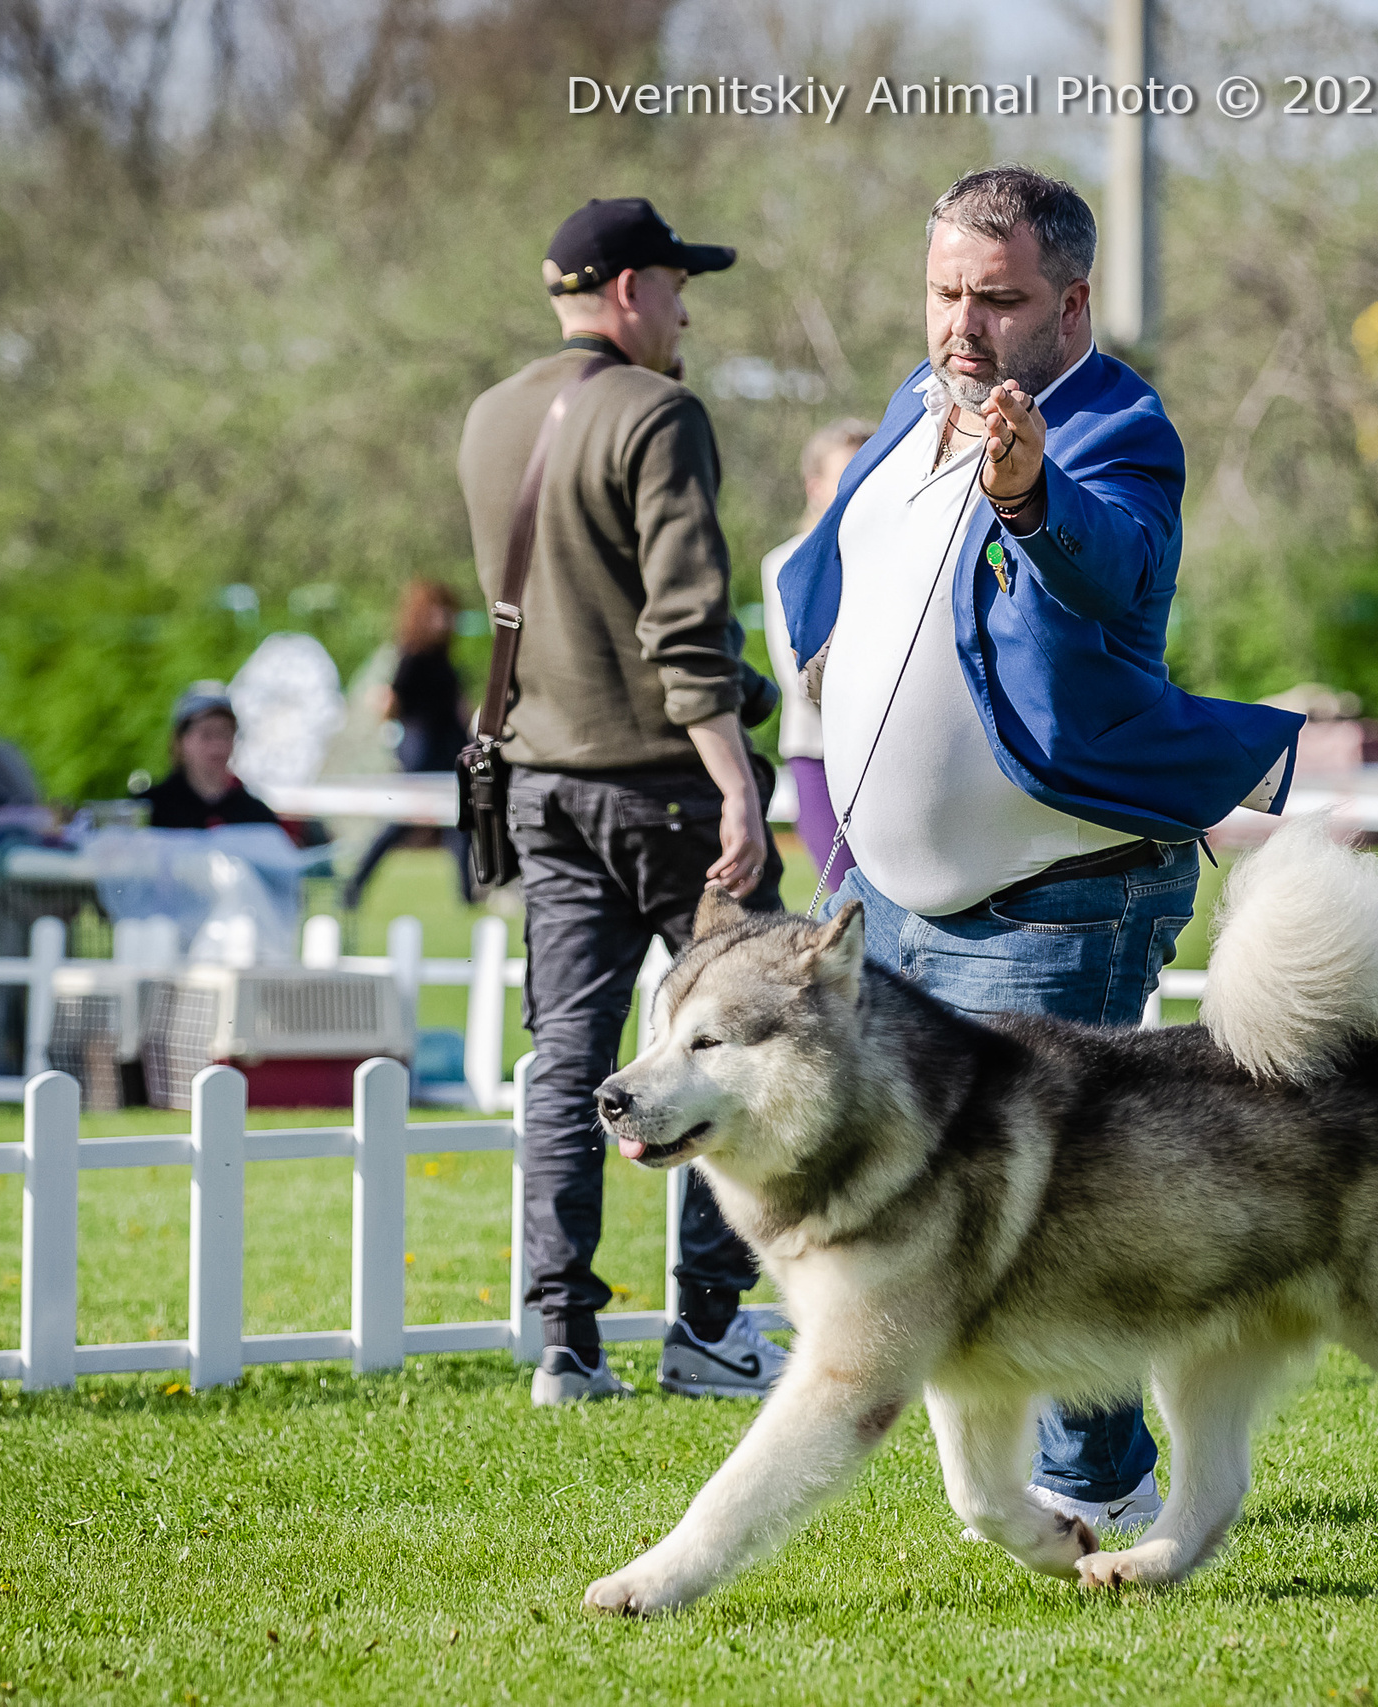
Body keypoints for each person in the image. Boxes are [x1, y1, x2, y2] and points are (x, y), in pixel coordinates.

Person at [775, 166, 1304, 1536]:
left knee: (1062, 1201)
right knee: (918, 1186)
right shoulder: (916, 398)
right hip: (891, 892)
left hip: (1058, 895)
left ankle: (1100, 1481)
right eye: (945, 291)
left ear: (1070, 303)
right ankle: (1004, 1453)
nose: (963, 324)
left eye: (998, 300)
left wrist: (1028, 495)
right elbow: (842, 562)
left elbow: (1112, 563)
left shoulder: (1117, 428)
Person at [459, 196, 787, 1407]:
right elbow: (681, 628)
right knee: (743, 1043)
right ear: (632, 289)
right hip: (664, 783)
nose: (686, 314)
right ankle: (708, 1326)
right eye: (678, 288)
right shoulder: (657, 412)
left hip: (540, 782)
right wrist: (736, 782)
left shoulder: (490, 415)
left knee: (566, 1057)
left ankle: (564, 1340)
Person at [761, 419, 876, 889]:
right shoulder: (784, 564)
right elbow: (800, 680)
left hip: (890, 760)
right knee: (846, 900)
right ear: (815, 488)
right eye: (846, 475)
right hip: (820, 756)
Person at [342, 580, 475, 911]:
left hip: (449, 747)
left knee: (460, 819)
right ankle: (355, 882)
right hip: (422, 749)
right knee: (402, 819)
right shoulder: (412, 656)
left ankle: (466, 893)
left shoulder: (444, 658)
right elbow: (392, 702)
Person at [138, 682, 285, 830]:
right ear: (181, 740)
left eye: (225, 733)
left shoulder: (258, 817)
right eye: (206, 734)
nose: (217, 745)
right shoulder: (148, 811)